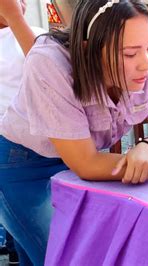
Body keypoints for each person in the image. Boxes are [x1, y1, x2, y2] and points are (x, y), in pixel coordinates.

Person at [0, 1, 148, 264]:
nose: (146, 65)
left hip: (88, 161)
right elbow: (86, 163)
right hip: (22, 166)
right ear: (88, 50)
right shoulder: (50, 62)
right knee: (65, 255)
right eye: (129, 54)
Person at [0, 0, 45, 264]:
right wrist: (14, 18)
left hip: (55, 150)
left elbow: (50, 72)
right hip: (13, 154)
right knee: (46, 248)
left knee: (32, 245)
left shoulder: (37, 35)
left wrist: (16, 19)